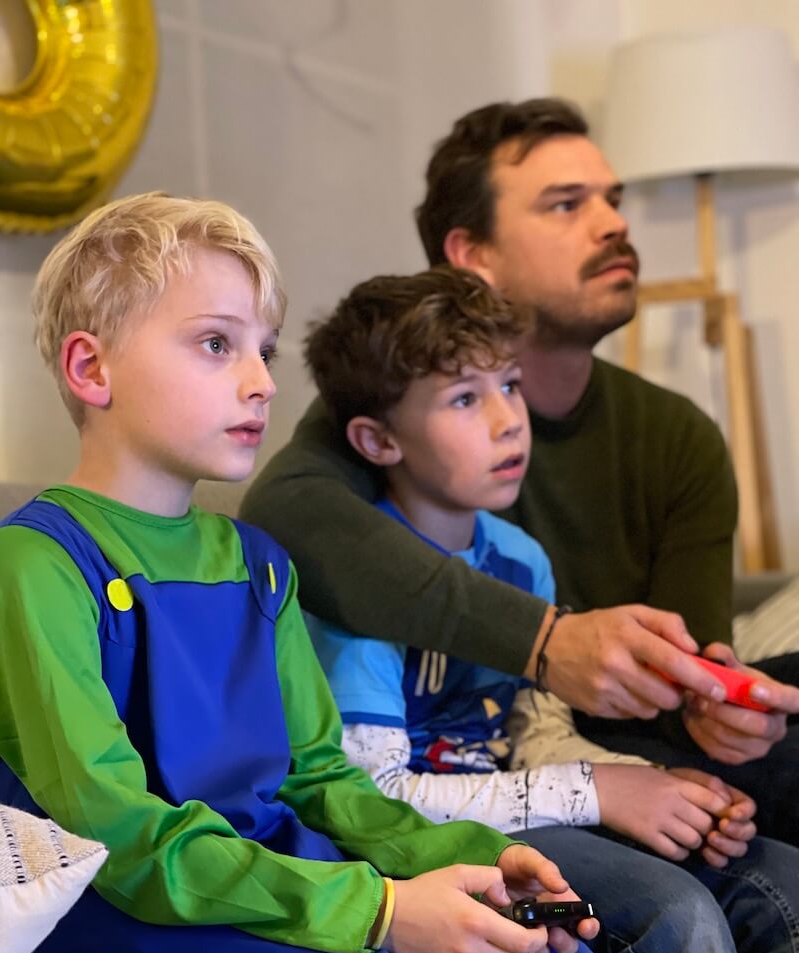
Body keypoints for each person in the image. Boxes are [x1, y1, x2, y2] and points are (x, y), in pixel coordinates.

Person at [0, 192, 615, 953]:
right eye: (217, 344)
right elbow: (118, 835)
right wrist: (381, 910)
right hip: (130, 900)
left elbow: (322, 780)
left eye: (265, 348)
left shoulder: (260, 563)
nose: (262, 381)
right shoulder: (35, 564)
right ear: (91, 368)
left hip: (271, 874)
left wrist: (484, 857)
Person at [240, 97, 799, 843]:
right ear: (473, 254)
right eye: (566, 205)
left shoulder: (679, 435)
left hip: (607, 744)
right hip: (475, 767)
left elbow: (683, 677)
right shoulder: (395, 403)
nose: (613, 223)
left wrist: (717, 707)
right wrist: (546, 641)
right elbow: (284, 514)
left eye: (612, 199)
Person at [298, 264, 799, 953]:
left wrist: (659, 789)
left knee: (778, 883)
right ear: (378, 441)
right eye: (465, 399)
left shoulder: (518, 556)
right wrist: (599, 790)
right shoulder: (361, 586)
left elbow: (535, 727)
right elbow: (374, 792)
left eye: (509, 385)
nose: (509, 421)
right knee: (678, 915)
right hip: (417, 838)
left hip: (526, 811)